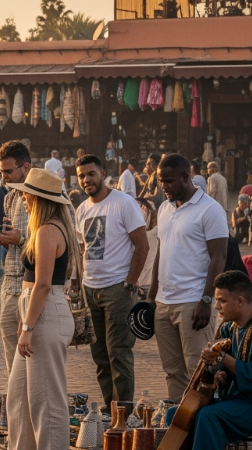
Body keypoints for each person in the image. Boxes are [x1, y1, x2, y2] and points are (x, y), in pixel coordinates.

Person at [5, 168, 80, 450]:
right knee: (20, 396)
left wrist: (27, 326)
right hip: (39, 310)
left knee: (46, 400)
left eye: (26, 194)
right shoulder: (45, 228)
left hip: (44, 311)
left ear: (38, 199)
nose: (23, 198)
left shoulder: (48, 230)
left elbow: (44, 284)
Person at [149, 153, 228, 402]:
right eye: (161, 181)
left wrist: (206, 300)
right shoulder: (164, 208)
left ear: (186, 176)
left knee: (199, 371)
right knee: (173, 372)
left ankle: (199, 431)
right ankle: (177, 427)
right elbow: (161, 253)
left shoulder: (210, 209)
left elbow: (219, 257)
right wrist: (151, 297)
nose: (164, 187)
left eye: (169, 181)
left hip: (193, 303)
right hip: (164, 303)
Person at [74, 154, 149, 413]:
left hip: (118, 288)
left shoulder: (123, 203)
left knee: (119, 351)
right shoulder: (82, 209)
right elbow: (84, 249)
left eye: (91, 174)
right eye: (81, 175)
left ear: (103, 173)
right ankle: (110, 407)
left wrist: (130, 283)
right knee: (99, 355)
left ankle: (124, 412)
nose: (86, 180)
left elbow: (142, 245)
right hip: (90, 289)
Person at [189, 270, 252, 450]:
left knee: (208, 416)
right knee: (178, 414)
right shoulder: (229, 326)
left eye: (222, 300)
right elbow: (226, 367)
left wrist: (222, 357)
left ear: (240, 301)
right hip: (234, 399)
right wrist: (221, 372)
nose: (216, 306)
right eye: (216, 300)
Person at [0, 140, 32, 374]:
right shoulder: (10, 197)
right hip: (10, 284)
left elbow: (59, 241)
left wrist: (20, 239)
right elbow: (12, 239)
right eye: (1, 172)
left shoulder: (47, 195)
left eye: (8, 171)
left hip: (34, 285)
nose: (4, 178)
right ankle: (18, 410)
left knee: (34, 357)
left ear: (26, 168)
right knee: (13, 364)